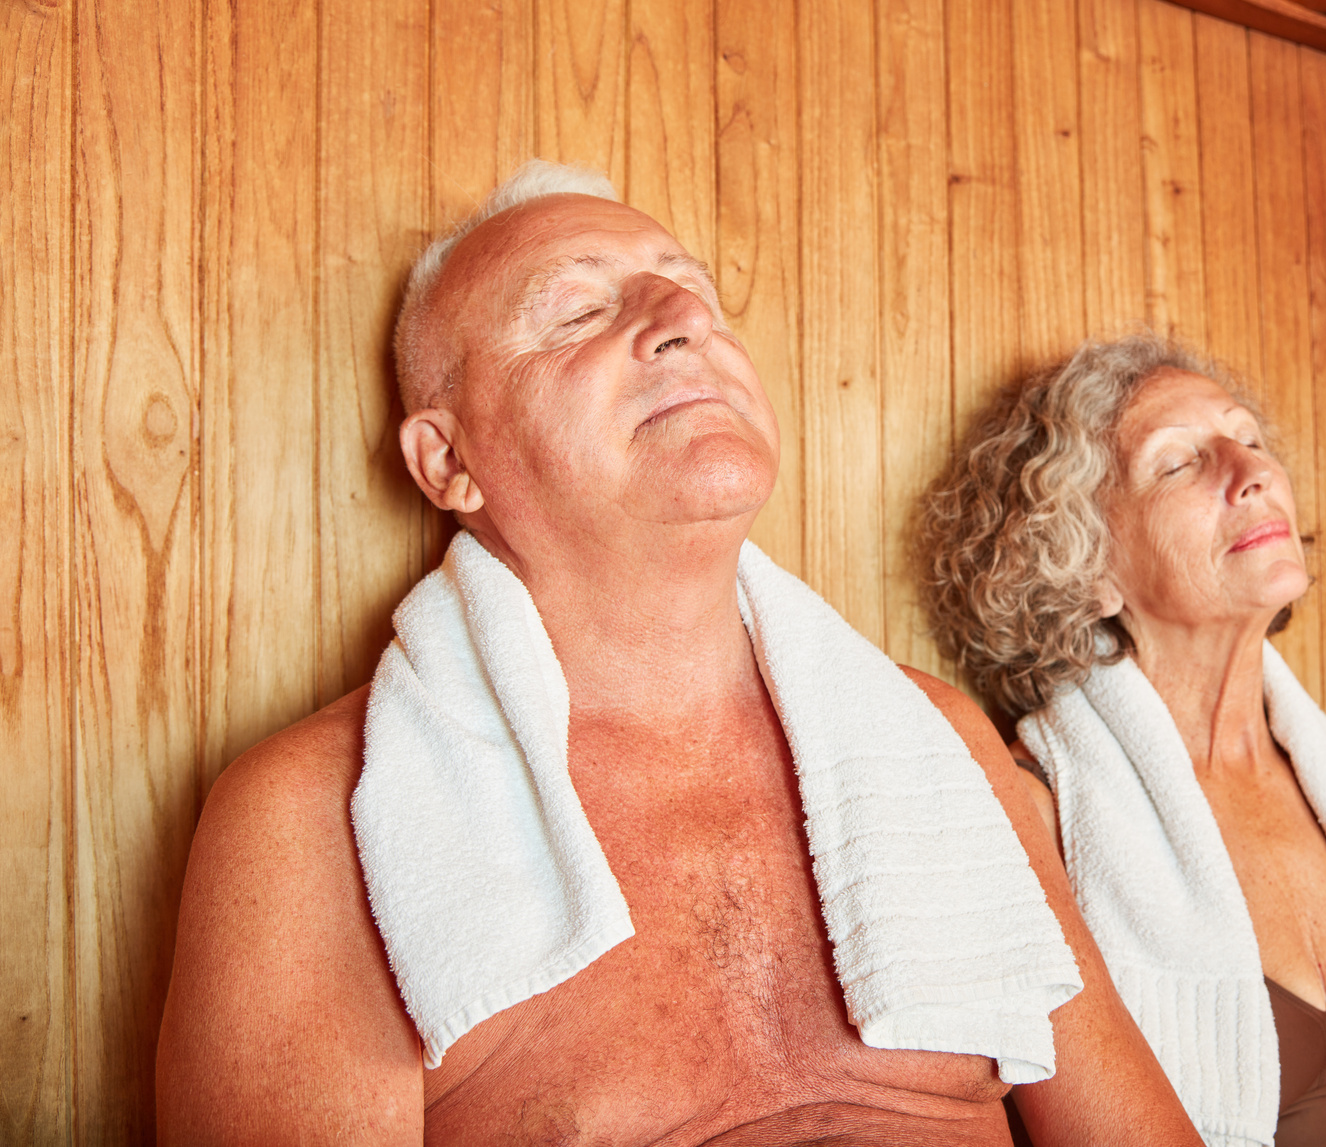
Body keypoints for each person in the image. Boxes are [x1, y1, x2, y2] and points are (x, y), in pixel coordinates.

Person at [154, 162, 1200, 1146]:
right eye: (577, 310)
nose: (685, 321)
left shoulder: (936, 742)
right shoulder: (313, 815)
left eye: (695, 294)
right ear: (449, 458)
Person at [916, 335, 1326, 1147]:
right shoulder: (1042, 812)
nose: (1251, 472)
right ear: (1082, 565)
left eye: (1247, 438)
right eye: (1177, 463)